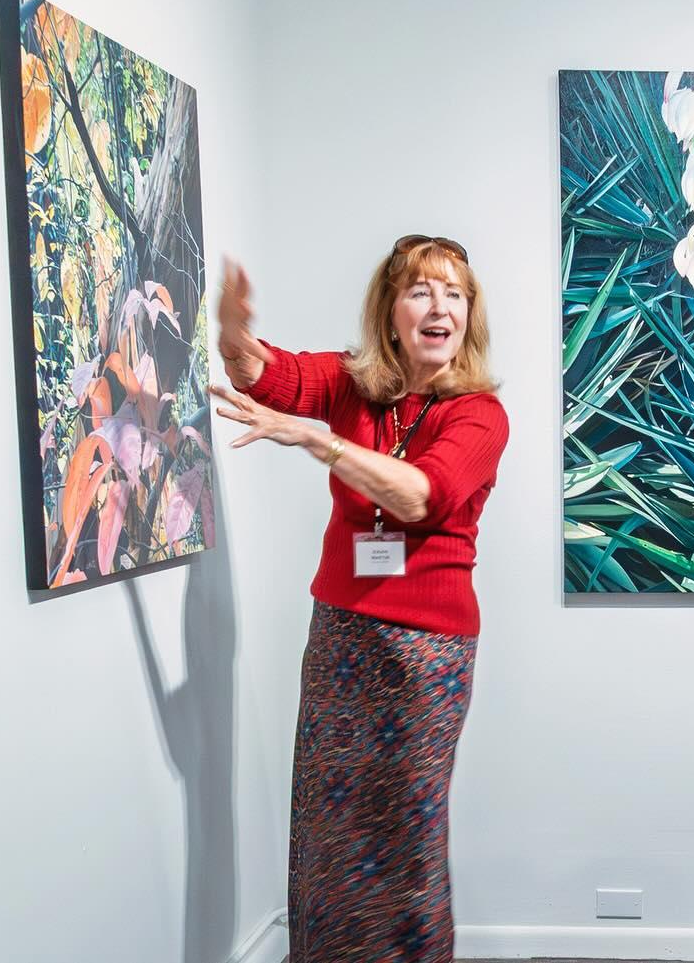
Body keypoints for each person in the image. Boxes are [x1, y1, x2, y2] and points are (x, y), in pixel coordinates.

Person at [210, 236, 509, 963]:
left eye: (455, 294)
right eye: (420, 291)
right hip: (342, 638)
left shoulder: (479, 416)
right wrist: (228, 332)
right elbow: (265, 374)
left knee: (404, 832)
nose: (439, 308)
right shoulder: (354, 384)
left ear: (470, 314)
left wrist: (318, 444)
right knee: (328, 826)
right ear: (391, 311)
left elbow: (419, 495)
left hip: (424, 659)